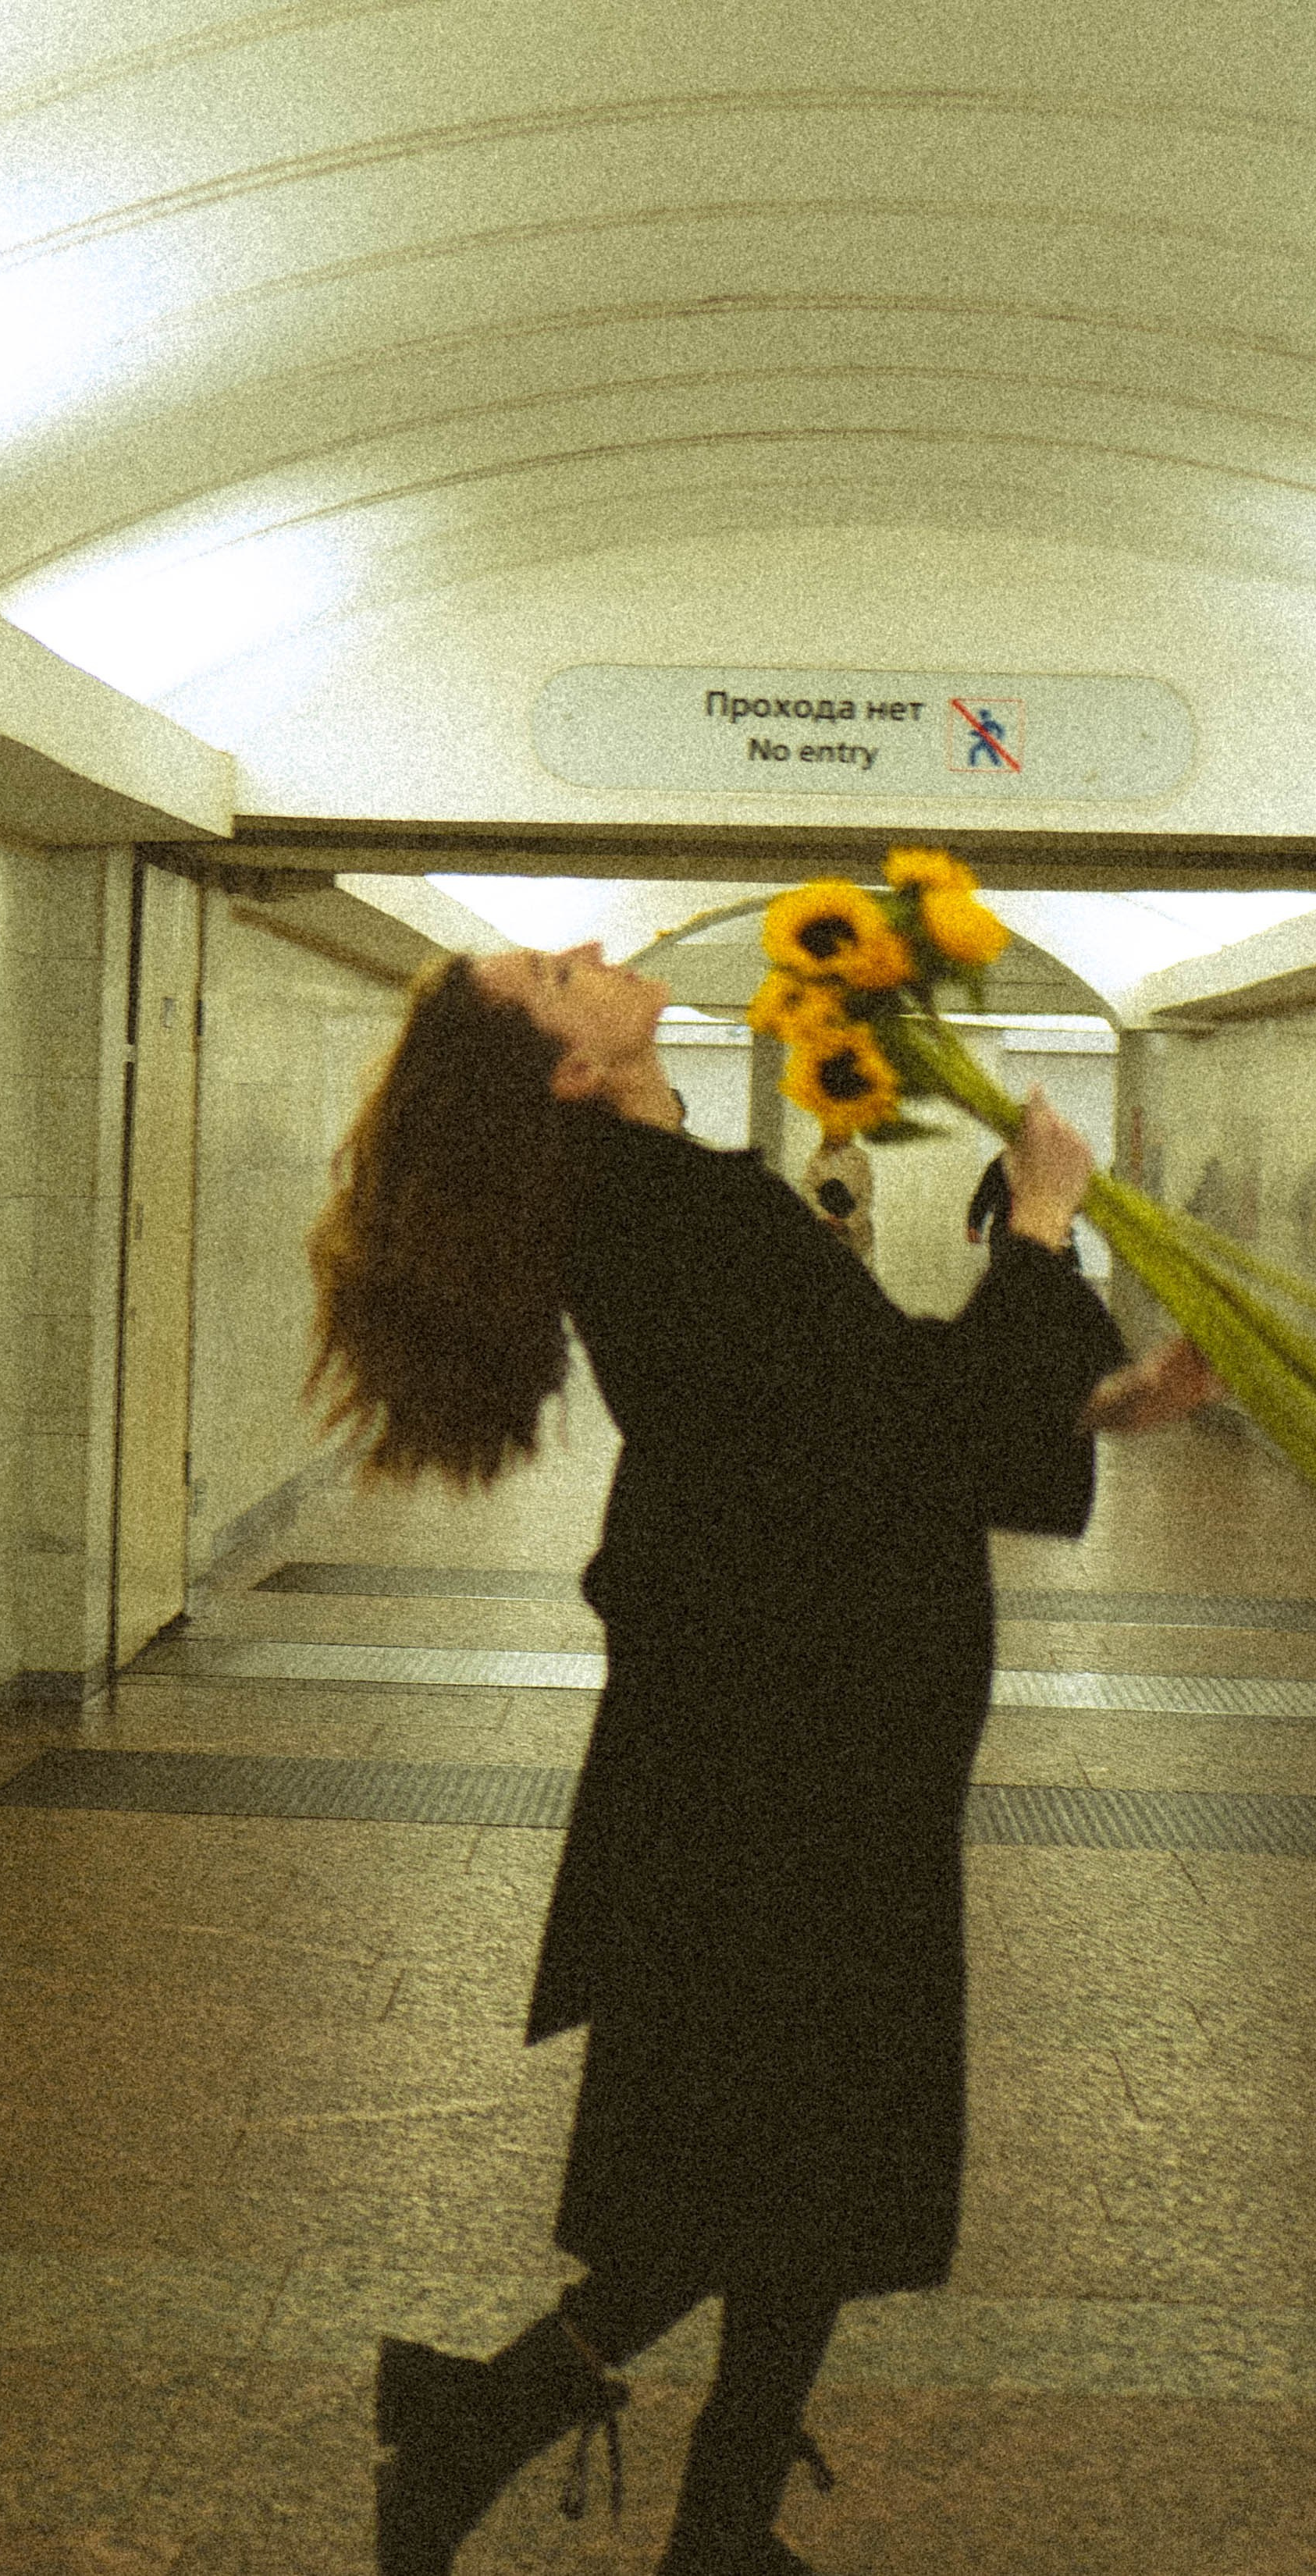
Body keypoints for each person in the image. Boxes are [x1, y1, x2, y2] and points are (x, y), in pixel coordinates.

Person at [304, 943, 1219, 2576]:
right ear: (564, 1072)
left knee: (803, 2136)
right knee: (773, 2139)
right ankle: (487, 2427)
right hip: (780, 1757)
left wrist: (1093, 1407)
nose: (590, 953)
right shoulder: (655, 1210)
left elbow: (859, 1410)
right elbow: (883, 1422)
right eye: (549, 973)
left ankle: (697, 2516)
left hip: (795, 1730)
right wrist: (1033, 1225)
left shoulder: (662, 1189)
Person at [801, 1136, 874, 1266]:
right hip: (824, 1232)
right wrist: (825, 1216)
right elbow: (807, 1191)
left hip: (856, 1237)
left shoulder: (861, 1159)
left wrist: (848, 1222)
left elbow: (866, 1197)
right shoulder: (816, 1159)